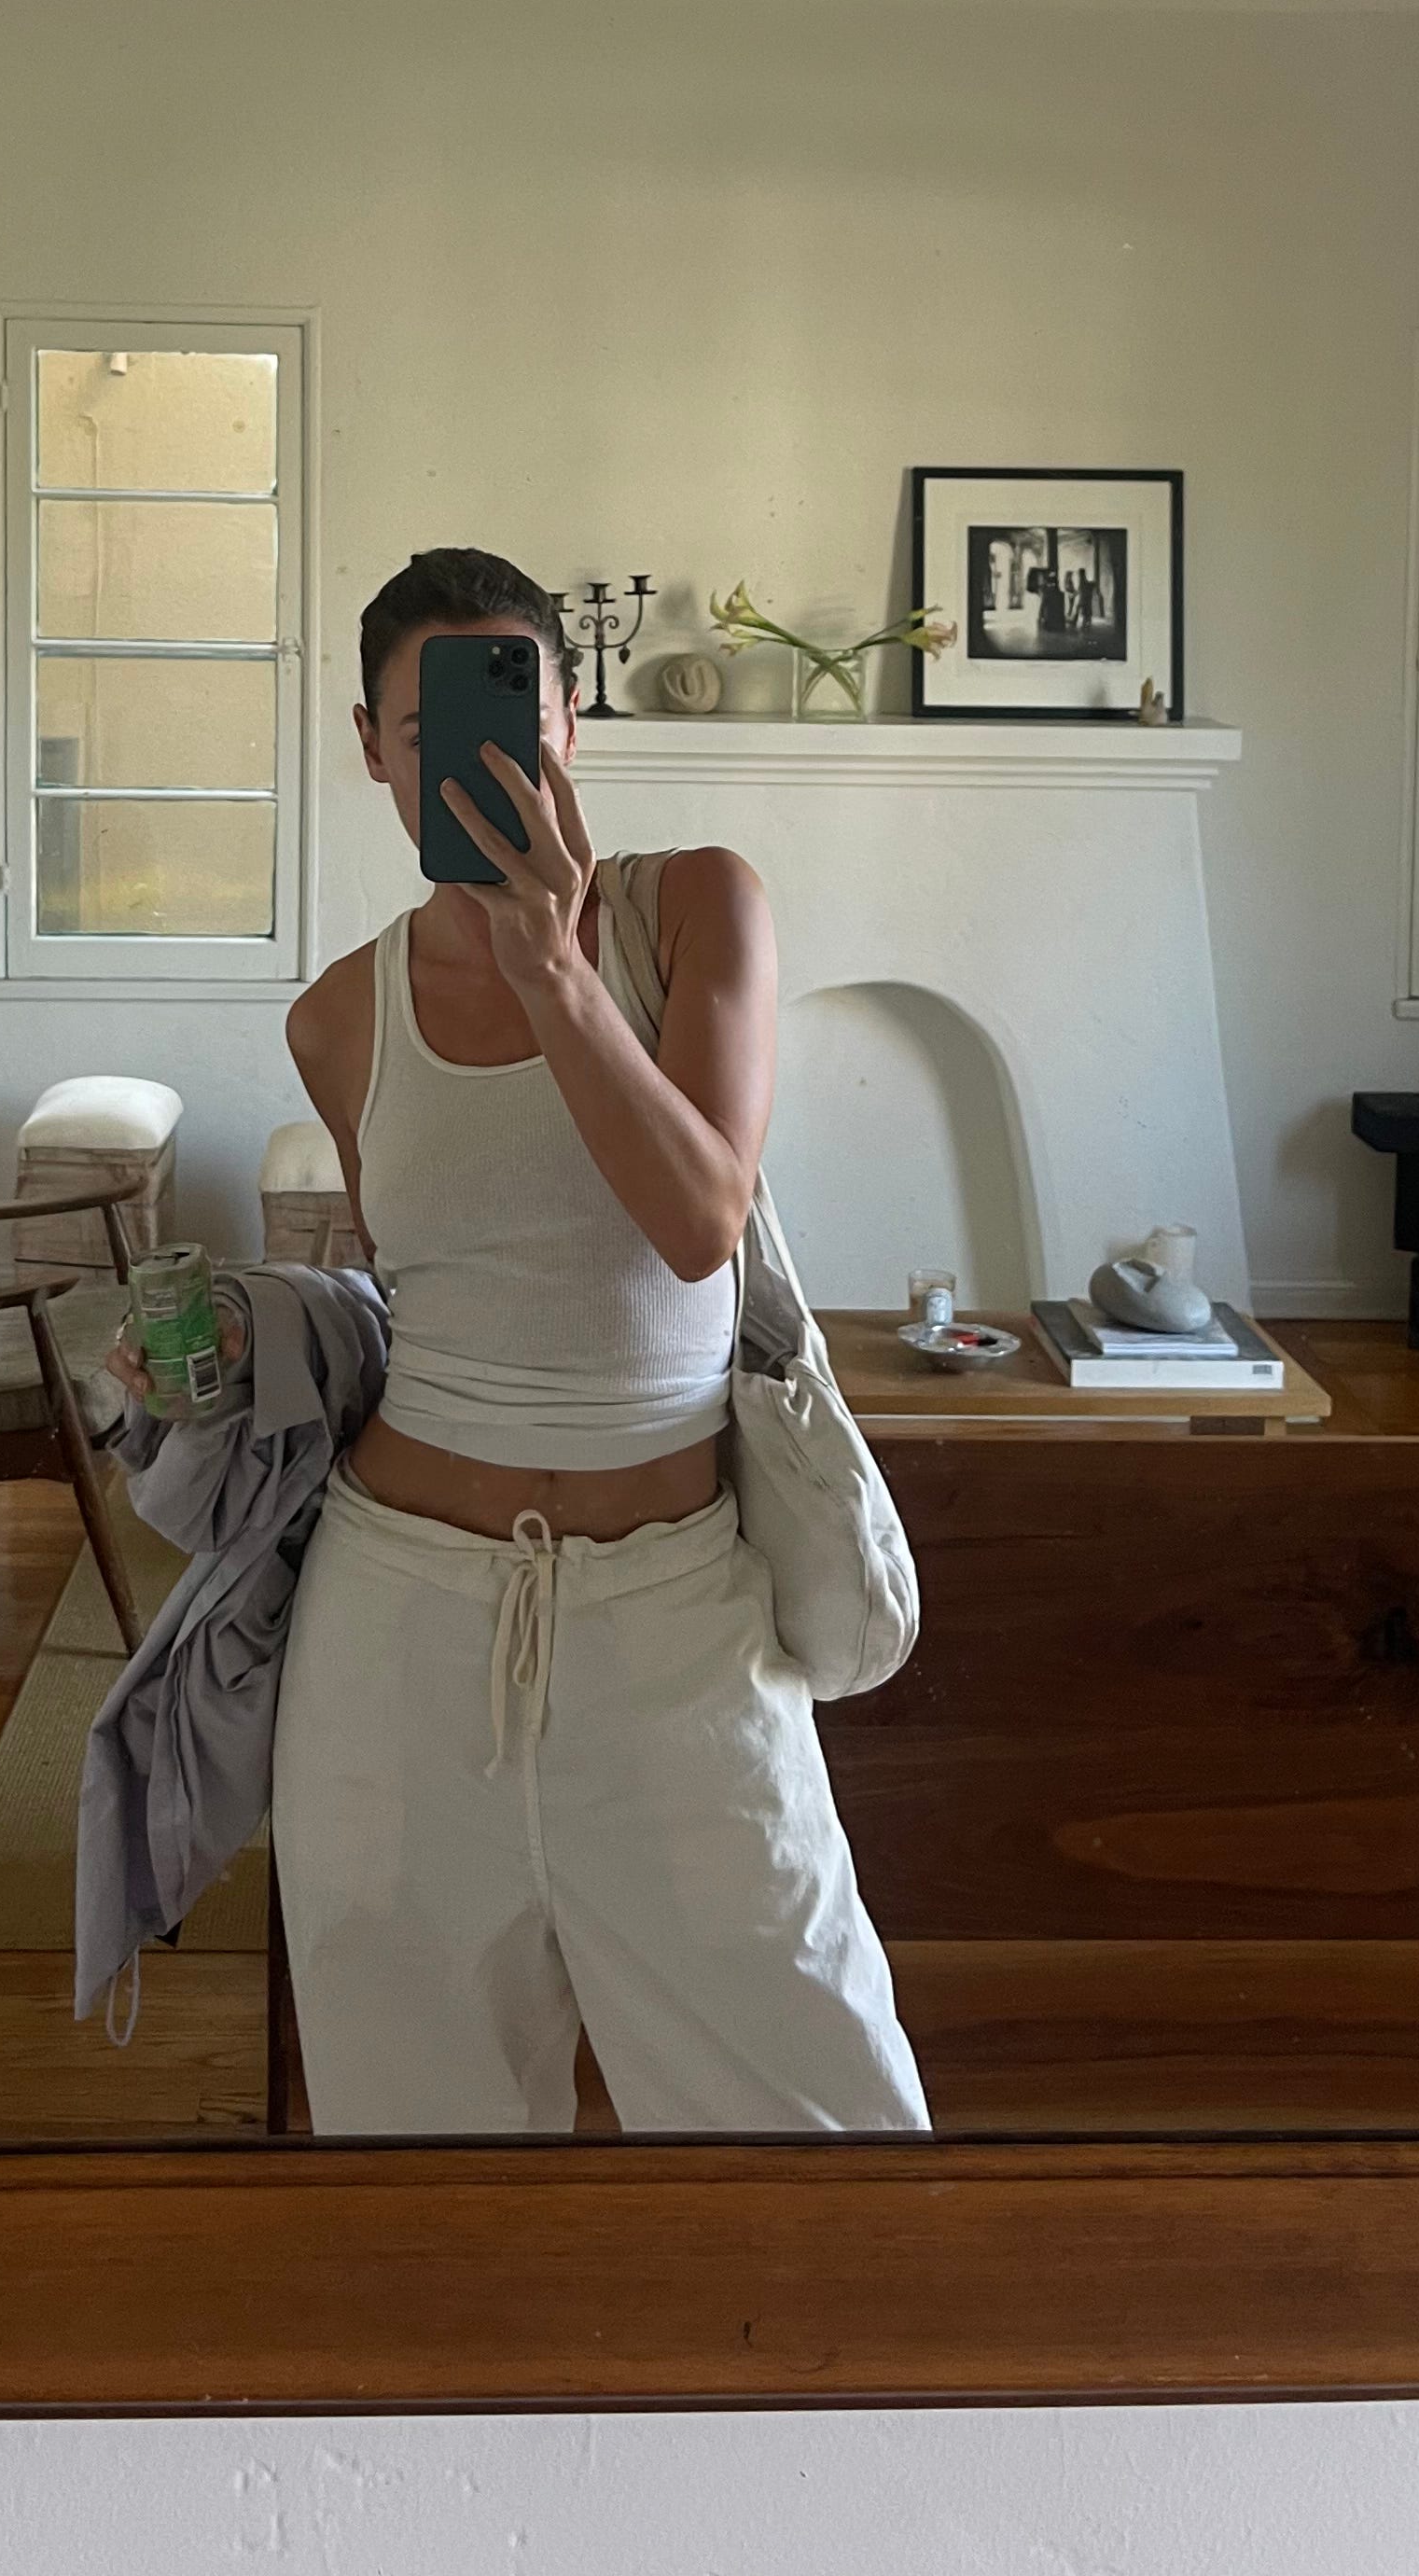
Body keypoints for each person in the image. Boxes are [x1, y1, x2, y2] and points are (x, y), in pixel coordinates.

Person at [262, 544, 927, 2136]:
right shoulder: (337, 1016)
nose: (475, 762)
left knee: (826, 2123)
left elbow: (698, 1220)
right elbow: (426, 1294)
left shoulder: (692, 906)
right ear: (371, 749)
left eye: (515, 717)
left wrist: (552, 967)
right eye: (425, 730)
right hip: (395, 1631)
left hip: (676, 1626)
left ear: (569, 721)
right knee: (412, 2126)